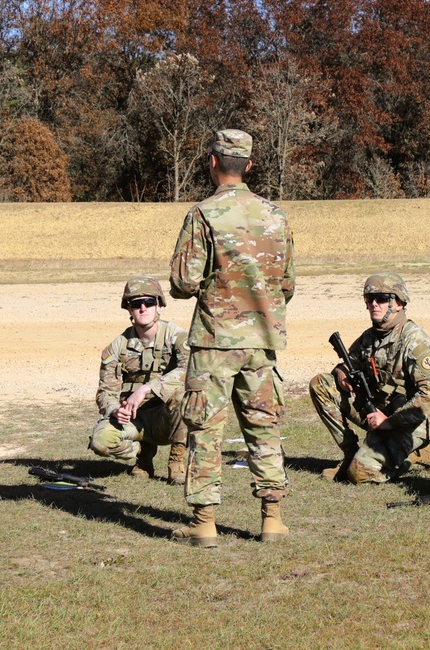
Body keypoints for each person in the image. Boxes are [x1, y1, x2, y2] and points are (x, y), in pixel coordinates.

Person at [169, 129, 295, 547]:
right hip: (262, 341)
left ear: (212, 162)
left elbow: (183, 282)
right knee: (264, 428)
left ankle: (205, 524)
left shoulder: (203, 214)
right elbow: (288, 285)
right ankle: (272, 519)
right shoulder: (276, 216)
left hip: (215, 342)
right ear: (250, 165)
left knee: (206, 429)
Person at [308, 273, 430, 484]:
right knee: (321, 383)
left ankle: (417, 453)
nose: (374, 304)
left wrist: (390, 422)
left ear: (398, 303)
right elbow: (346, 364)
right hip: (376, 413)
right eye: (369, 300)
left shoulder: (415, 341)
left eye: (381, 299)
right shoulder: (370, 336)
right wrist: (342, 374)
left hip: (407, 423)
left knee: (359, 475)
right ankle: (350, 454)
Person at [89, 276, 189, 483]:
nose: (143, 308)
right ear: (129, 309)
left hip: (167, 418)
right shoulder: (117, 346)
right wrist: (114, 409)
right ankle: (140, 455)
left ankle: (177, 461)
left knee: (184, 395)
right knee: (100, 442)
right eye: (136, 304)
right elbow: (105, 392)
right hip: (135, 420)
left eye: (149, 302)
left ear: (159, 305)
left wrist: (146, 389)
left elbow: (189, 369)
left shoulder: (177, 337)